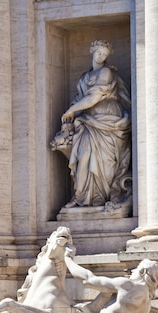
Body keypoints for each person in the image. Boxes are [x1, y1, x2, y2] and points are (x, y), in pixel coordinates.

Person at [52, 40, 132, 211]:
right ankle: (82, 196)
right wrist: (74, 115)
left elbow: (93, 98)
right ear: (92, 52)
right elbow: (81, 98)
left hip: (107, 119)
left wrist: (71, 110)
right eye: (99, 53)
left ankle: (101, 198)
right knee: (84, 157)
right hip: (88, 121)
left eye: (105, 55)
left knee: (105, 161)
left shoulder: (106, 73)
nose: (101, 57)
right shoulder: (84, 77)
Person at [64, 248, 158, 313]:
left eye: (136, 268)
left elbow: (88, 280)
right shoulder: (147, 305)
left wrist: (67, 258)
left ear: (142, 272)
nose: (133, 271)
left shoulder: (128, 286)